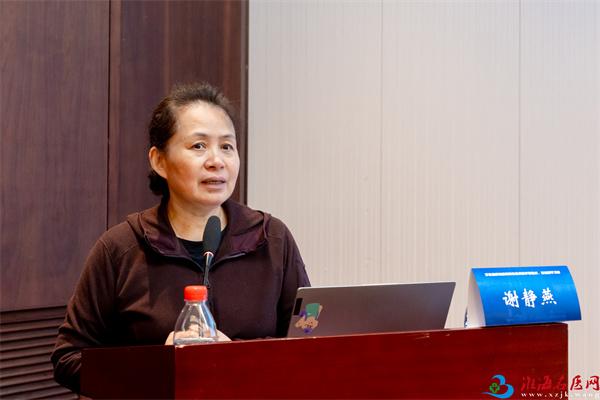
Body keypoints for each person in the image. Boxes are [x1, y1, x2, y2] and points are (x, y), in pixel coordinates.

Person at [51, 83, 310, 393]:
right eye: (198, 146)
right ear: (159, 161)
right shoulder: (120, 249)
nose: (216, 161)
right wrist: (160, 363)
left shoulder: (272, 239)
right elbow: (68, 359)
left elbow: (310, 342)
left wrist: (235, 355)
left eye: (227, 147)